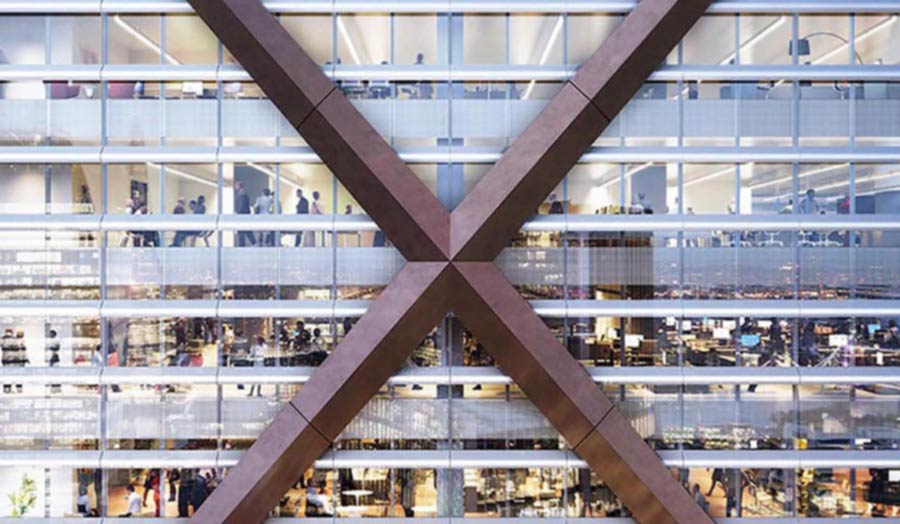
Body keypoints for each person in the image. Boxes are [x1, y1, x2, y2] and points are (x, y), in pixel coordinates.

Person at [2, 328, 27, 393]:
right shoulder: (15, 339)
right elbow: (18, 348)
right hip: (14, 359)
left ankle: (7, 389)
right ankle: (18, 388)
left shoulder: (2, 338)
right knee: (16, 374)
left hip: (6, 358)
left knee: (7, 374)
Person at [234, 181, 256, 247]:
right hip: (243, 215)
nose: (235, 187)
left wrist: (238, 212)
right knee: (246, 230)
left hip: (242, 215)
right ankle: (252, 242)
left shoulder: (242, 195)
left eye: (236, 185)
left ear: (239, 186)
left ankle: (244, 244)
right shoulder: (242, 194)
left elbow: (241, 206)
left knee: (243, 230)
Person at [47, 329, 61, 393]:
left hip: (54, 357)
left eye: (51, 334)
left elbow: (57, 348)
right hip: (52, 357)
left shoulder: (56, 340)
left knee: (55, 372)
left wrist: (50, 348)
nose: (49, 335)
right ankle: (53, 385)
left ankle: (56, 385)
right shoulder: (51, 340)